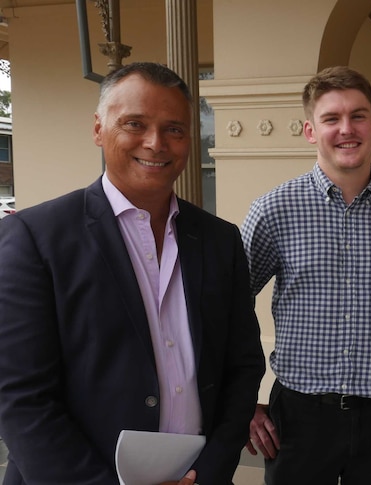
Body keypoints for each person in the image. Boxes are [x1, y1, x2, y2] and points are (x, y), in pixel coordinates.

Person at [0, 62, 266, 485]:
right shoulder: (36, 237)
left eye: (174, 129)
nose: (155, 143)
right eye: (134, 124)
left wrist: (211, 471)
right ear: (98, 129)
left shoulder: (220, 241)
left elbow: (243, 366)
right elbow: (19, 395)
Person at [241, 66, 371, 484]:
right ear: (310, 131)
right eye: (331, 118)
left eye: (357, 116)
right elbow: (227, 309)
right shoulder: (273, 211)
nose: (346, 129)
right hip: (300, 419)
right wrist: (243, 402)